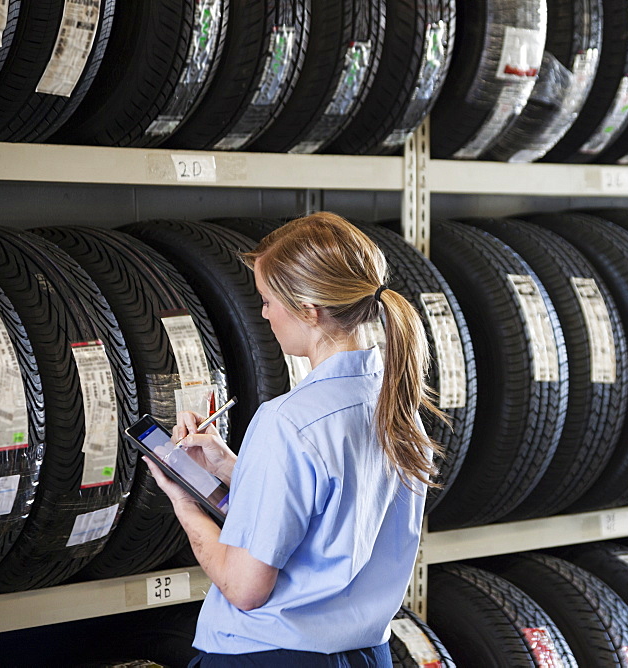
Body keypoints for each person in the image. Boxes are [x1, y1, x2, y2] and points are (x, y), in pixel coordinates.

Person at [145, 212, 445, 667]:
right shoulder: (397, 409)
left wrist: (182, 500)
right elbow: (330, 505)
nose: (263, 313)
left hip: (271, 655)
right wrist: (231, 466)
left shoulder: (287, 422)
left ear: (308, 309)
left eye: (267, 300)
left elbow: (245, 588)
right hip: (367, 655)